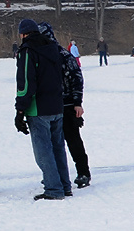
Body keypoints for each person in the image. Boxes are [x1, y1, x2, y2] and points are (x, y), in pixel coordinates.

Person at [14, 18, 71, 201]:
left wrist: (20, 110)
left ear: (23, 34)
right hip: (57, 105)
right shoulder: (53, 48)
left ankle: (54, 189)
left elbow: (26, 82)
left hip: (38, 108)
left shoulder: (27, 50)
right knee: (58, 147)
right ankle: (64, 185)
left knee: (43, 151)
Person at [60, 34, 91, 188]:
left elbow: (77, 78)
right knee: (54, 144)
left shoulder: (64, 56)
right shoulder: (40, 55)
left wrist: (77, 103)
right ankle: (56, 174)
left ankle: (83, 172)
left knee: (74, 141)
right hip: (49, 107)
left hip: (67, 106)